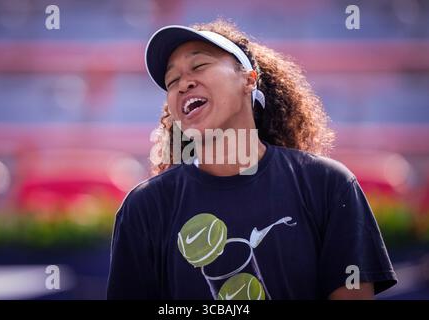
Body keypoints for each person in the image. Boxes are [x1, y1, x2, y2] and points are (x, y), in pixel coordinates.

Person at [107, 19, 397, 300]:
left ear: (248, 79)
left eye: (199, 66)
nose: (183, 85)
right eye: (172, 81)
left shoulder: (328, 184)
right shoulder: (144, 207)